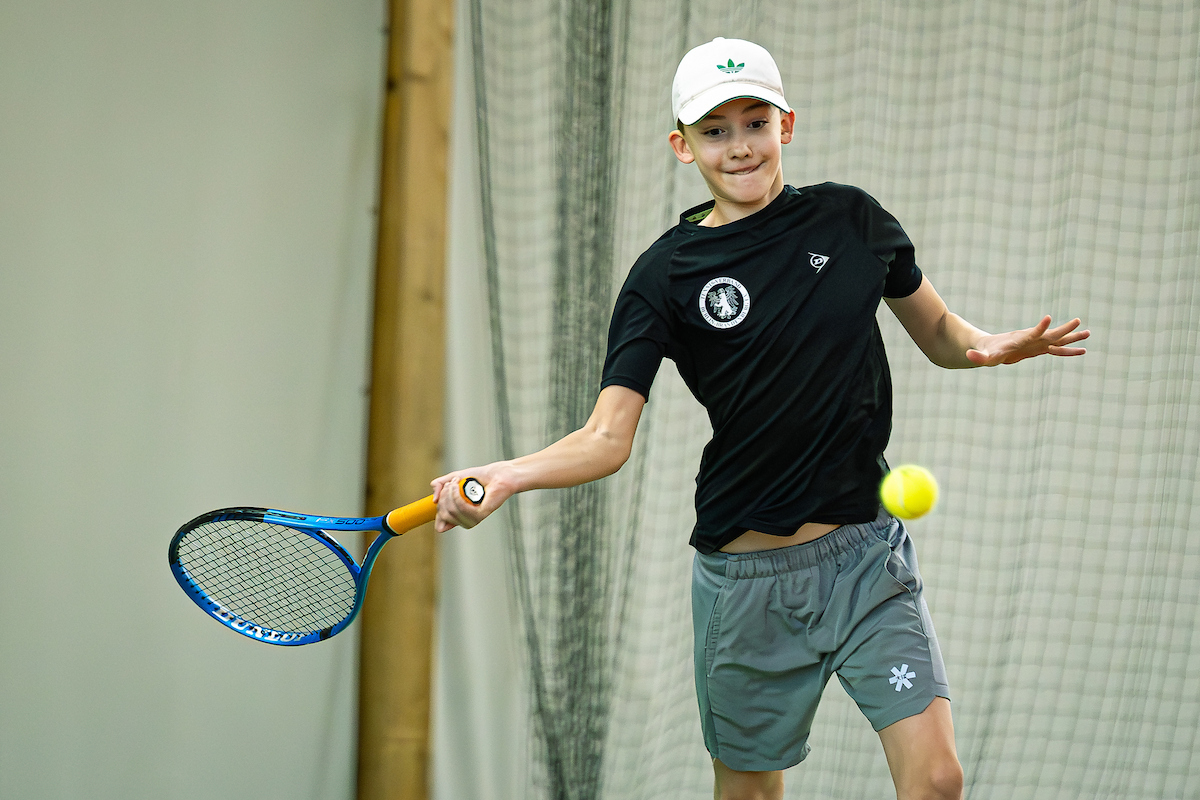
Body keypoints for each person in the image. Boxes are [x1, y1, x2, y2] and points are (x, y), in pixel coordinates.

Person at [432, 37, 1089, 800]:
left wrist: (989, 345)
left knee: (939, 778)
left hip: (865, 558)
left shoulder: (853, 221)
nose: (739, 145)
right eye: (715, 130)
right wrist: (503, 476)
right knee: (748, 794)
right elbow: (607, 440)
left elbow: (940, 334)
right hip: (745, 584)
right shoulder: (663, 277)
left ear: (787, 124)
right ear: (683, 147)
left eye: (754, 121)